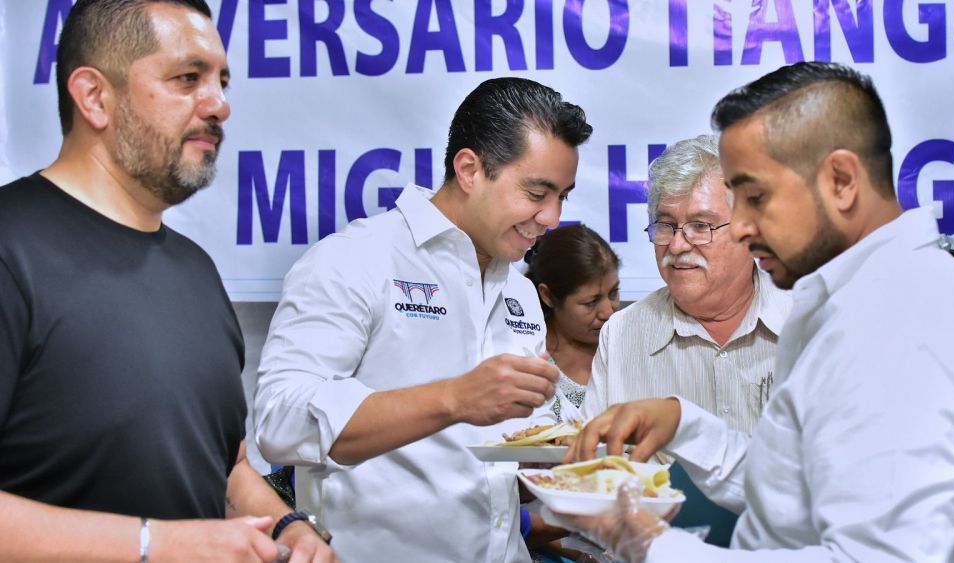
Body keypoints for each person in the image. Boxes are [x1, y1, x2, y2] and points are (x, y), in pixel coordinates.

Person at [558, 61, 954, 562]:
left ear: (840, 180)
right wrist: (685, 423)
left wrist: (649, 546)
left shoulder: (903, 318)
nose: (741, 227)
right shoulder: (849, 296)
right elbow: (792, 489)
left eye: (755, 198)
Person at [0, 1, 337, 562]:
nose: (220, 105)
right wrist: (152, 545)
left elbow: (224, 465)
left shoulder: (197, 272)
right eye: (188, 78)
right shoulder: (11, 247)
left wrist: (287, 527)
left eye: (222, 82)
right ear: (94, 97)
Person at [253, 77, 593, 562]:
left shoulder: (517, 288)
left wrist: (555, 455)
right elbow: (280, 420)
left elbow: (496, 452)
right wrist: (453, 398)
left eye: (564, 195)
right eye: (538, 192)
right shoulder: (354, 259)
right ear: (470, 169)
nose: (553, 216)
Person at [580, 134, 792, 546]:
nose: (677, 245)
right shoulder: (623, 335)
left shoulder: (806, 322)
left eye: (700, 226)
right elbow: (591, 478)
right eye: (665, 225)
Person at [525, 224, 622, 423]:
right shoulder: (528, 353)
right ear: (548, 296)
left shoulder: (633, 349)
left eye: (613, 293)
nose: (608, 312)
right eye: (591, 302)